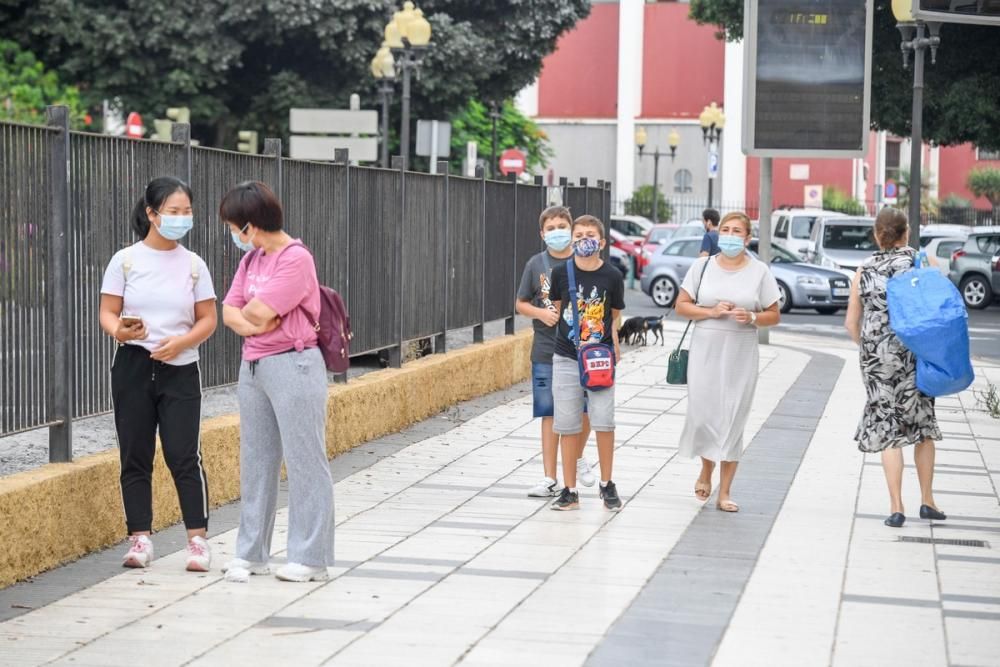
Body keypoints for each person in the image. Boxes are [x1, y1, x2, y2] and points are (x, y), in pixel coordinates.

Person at [98, 176, 217, 571]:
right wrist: (120, 330)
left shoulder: (195, 265)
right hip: (133, 365)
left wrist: (181, 344)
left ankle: (197, 541)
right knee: (135, 453)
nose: (182, 218)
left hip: (180, 369)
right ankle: (139, 539)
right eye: (173, 212)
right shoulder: (125, 260)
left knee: (184, 454)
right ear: (151, 214)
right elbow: (108, 312)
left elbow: (208, 319)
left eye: (187, 211)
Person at [219, 181, 335, 583]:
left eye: (234, 227)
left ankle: (311, 558)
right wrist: (255, 320)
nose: (233, 235)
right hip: (253, 368)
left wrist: (255, 317)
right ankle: (251, 553)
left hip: (295, 365)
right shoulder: (252, 261)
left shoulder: (295, 258)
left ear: (250, 225)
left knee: (305, 460)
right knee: (256, 461)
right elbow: (233, 311)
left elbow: (260, 311)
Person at [844, 207, 944, 528]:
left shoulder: (864, 269)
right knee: (922, 426)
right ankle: (927, 501)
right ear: (907, 232)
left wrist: (871, 349)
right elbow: (940, 306)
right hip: (915, 353)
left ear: (877, 234)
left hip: (876, 357)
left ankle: (896, 507)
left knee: (889, 427)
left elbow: (850, 323)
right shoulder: (922, 262)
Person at [675, 212, 781, 512]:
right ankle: (706, 470)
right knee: (704, 413)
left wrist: (752, 317)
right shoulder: (702, 266)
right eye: (726, 230)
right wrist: (710, 311)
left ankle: (725, 491)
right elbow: (681, 306)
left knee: (733, 417)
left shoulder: (759, 271)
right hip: (706, 347)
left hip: (740, 350)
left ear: (747, 238)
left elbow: (774, 314)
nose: (731, 236)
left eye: (737, 231)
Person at [516, 206, 596, 497]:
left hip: (581, 352)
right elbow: (521, 303)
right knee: (549, 413)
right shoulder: (536, 264)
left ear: (572, 230)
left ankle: (576, 456)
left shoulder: (585, 263)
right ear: (542, 233)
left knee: (585, 410)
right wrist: (540, 313)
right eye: (551, 228)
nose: (557, 232)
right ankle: (550, 477)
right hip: (546, 349)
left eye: (562, 226)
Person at [548, 215, 626, 511]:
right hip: (566, 355)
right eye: (578, 235)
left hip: (600, 358)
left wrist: (613, 344)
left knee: (603, 420)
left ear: (602, 242)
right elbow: (558, 307)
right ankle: (569, 489)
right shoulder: (560, 273)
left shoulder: (613, 276)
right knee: (567, 424)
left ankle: (607, 483)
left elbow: (614, 313)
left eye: (590, 235)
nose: (584, 240)